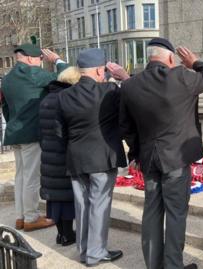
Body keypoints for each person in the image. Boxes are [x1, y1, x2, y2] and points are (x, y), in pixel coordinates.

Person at [110, 38, 203, 269]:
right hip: (176, 158)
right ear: (171, 58)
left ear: (149, 57)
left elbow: (125, 126)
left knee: (152, 212)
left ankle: (153, 265)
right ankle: (173, 265)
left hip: (149, 159)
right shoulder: (182, 77)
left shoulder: (131, 85)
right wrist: (195, 62)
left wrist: (136, 153)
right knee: (176, 213)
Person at [58, 48, 126, 266]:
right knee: (99, 206)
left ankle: (85, 250)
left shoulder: (63, 96)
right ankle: (95, 254)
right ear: (99, 71)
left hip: (76, 158)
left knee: (83, 206)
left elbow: (60, 133)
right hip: (102, 158)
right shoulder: (109, 90)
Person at [1, 44, 68, 231]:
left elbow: (5, 107)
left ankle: (20, 217)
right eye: (40, 59)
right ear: (31, 59)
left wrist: (15, 123)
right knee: (31, 177)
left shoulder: (7, 79)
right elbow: (65, 77)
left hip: (15, 132)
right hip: (31, 133)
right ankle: (31, 218)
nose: (41, 62)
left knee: (21, 176)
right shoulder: (33, 73)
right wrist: (57, 61)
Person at [39, 67, 80, 246]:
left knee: (55, 197)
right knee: (66, 196)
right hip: (63, 153)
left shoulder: (46, 98)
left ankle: (61, 234)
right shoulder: (67, 99)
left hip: (48, 152)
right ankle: (68, 234)